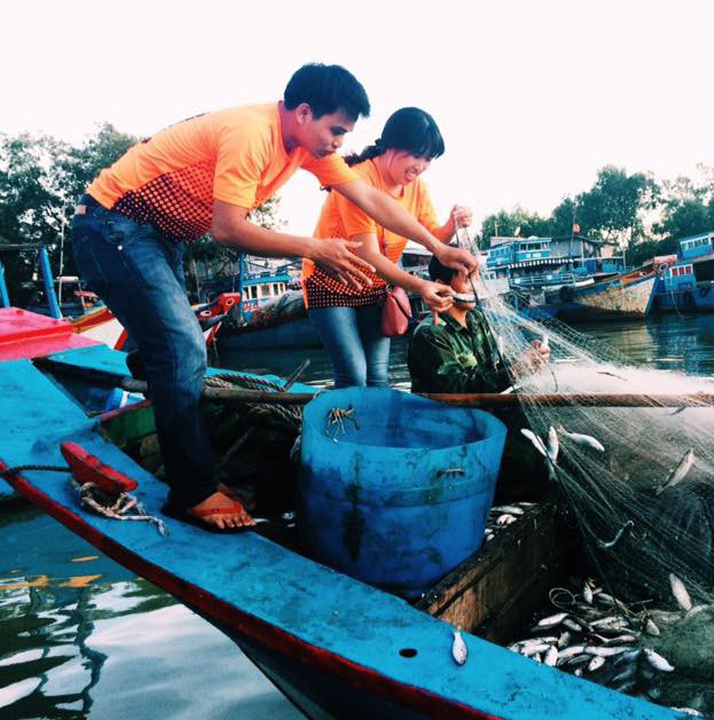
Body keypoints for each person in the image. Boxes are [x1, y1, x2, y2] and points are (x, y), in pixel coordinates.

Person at [71, 64, 477, 532]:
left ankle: (161, 377)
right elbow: (228, 230)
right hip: (113, 226)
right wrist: (312, 248)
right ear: (303, 112)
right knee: (184, 348)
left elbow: (373, 200)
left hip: (159, 235)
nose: (339, 142)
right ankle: (192, 490)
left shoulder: (305, 145)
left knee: (171, 351)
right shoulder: (252, 135)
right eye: (337, 130)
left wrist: (439, 248)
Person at [303, 107, 473, 387]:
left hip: (375, 286)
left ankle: (376, 429)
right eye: (416, 156)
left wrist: (452, 225)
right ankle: (339, 427)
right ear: (391, 147)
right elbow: (368, 254)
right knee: (353, 373)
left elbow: (432, 238)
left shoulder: (417, 188)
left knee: (378, 375)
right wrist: (419, 286)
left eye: (428, 159)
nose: (421, 166)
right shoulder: (357, 180)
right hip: (331, 283)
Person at [407, 250, 550, 498]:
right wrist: (516, 371)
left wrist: (527, 360)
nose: (474, 286)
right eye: (466, 279)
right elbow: (459, 391)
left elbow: (492, 371)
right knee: (527, 458)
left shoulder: (477, 320)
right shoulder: (430, 334)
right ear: (441, 285)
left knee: (546, 430)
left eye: (476, 277)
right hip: (451, 427)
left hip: (487, 413)